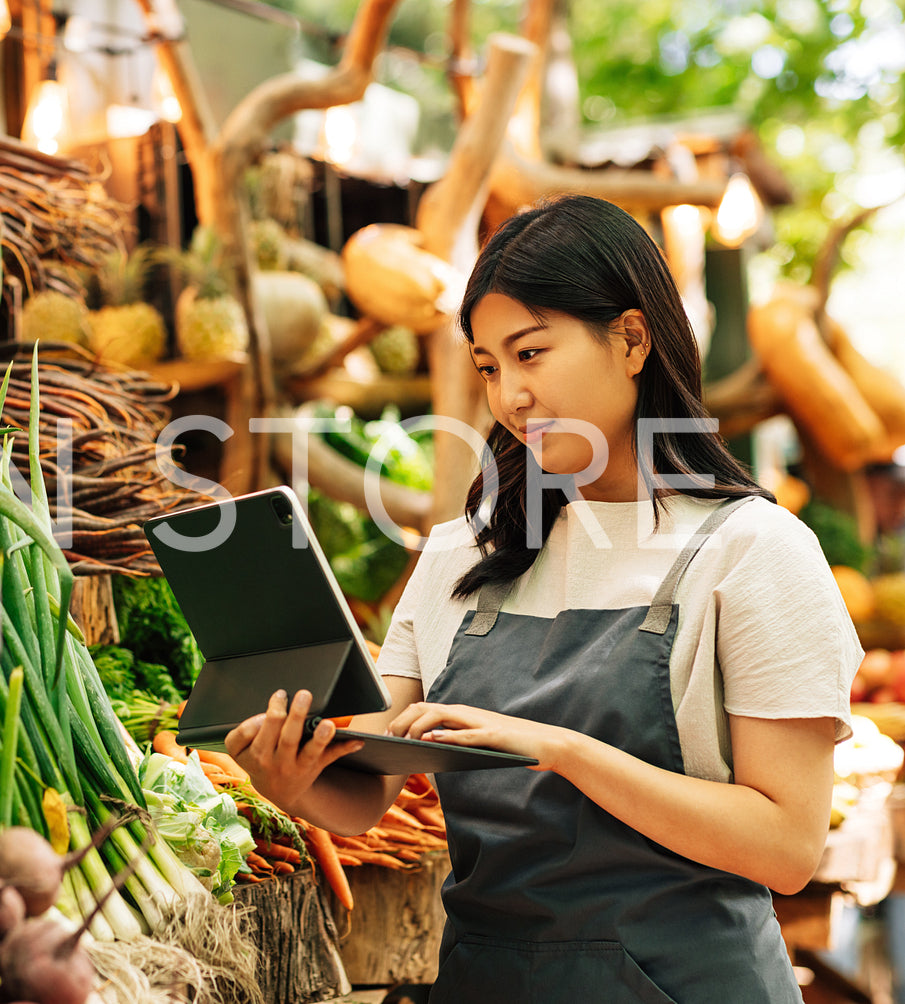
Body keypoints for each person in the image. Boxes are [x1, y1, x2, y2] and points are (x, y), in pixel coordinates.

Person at [225, 194, 860, 1002]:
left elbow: (785, 847)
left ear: (631, 339)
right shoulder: (464, 552)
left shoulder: (752, 552)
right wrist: (292, 778)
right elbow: (365, 792)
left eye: (530, 353)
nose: (509, 395)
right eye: (488, 366)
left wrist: (556, 748)